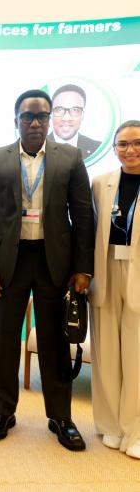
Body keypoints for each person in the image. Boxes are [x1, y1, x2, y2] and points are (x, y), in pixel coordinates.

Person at [0, 89, 94, 451]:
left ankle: (61, 417)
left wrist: (83, 267)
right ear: (16, 120)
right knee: (5, 340)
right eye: (28, 116)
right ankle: (3, 412)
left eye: (42, 116)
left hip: (53, 261)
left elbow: (84, 216)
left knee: (55, 342)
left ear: (50, 118)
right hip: (9, 263)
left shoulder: (70, 158)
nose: (36, 122)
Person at [90, 120, 140, 459]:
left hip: (138, 273)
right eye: (122, 144)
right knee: (106, 353)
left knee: (136, 357)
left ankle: (135, 431)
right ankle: (111, 425)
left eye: (136, 143)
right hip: (105, 271)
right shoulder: (101, 183)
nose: (130, 150)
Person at [48, 84, 101, 160]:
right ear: (51, 113)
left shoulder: (96, 148)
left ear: (82, 115)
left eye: (75, 110)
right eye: (59, 109)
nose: (66, 118)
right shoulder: (36, 148)